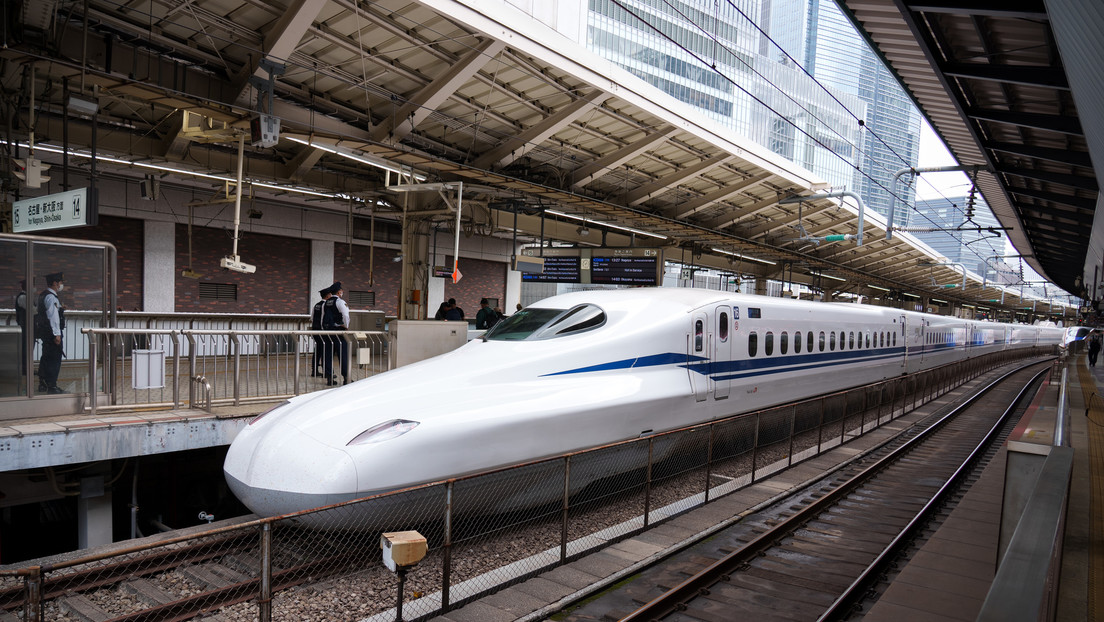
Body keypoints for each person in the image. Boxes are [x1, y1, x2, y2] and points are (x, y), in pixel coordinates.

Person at [35, 272, 66, 394]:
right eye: (60, 282)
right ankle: (52, 386)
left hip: (45, 332)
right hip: (52, 333)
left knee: (46, 357)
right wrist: (57, 334)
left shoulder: (43, 295)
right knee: (54, 359)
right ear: (54, 283)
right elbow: (53, 317)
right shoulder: (52, 297)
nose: (61, 285)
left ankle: (42, 384)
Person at [321, 281, 351, 385]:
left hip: (328, 332)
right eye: (341, 290)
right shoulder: (340, 302)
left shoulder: (326, 303)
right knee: (343, 355)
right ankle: (346, 378)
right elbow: (346, 316)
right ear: (338, 292)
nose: (342, 292)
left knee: (328, 355)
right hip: (339, 332)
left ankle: (329, 379)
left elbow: (323, 317)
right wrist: (346, 327)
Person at [310, 287, 331, 377]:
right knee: (325, 352)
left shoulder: (316, 305)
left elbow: (312, 318)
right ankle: (326, 372)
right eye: (330, 294)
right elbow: (323, 318)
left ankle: (314, 371)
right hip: (322, 331)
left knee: (317, 351)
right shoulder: (324, 305)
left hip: (315, 330)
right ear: (327, 296)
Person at [14, 280, 28, 379]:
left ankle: (27, 367)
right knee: (25, 348)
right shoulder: (23, 297)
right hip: (25, 326)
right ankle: (24, 369)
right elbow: (32, 310)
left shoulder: (25, 296)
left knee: (28, 347)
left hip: (26, 326)